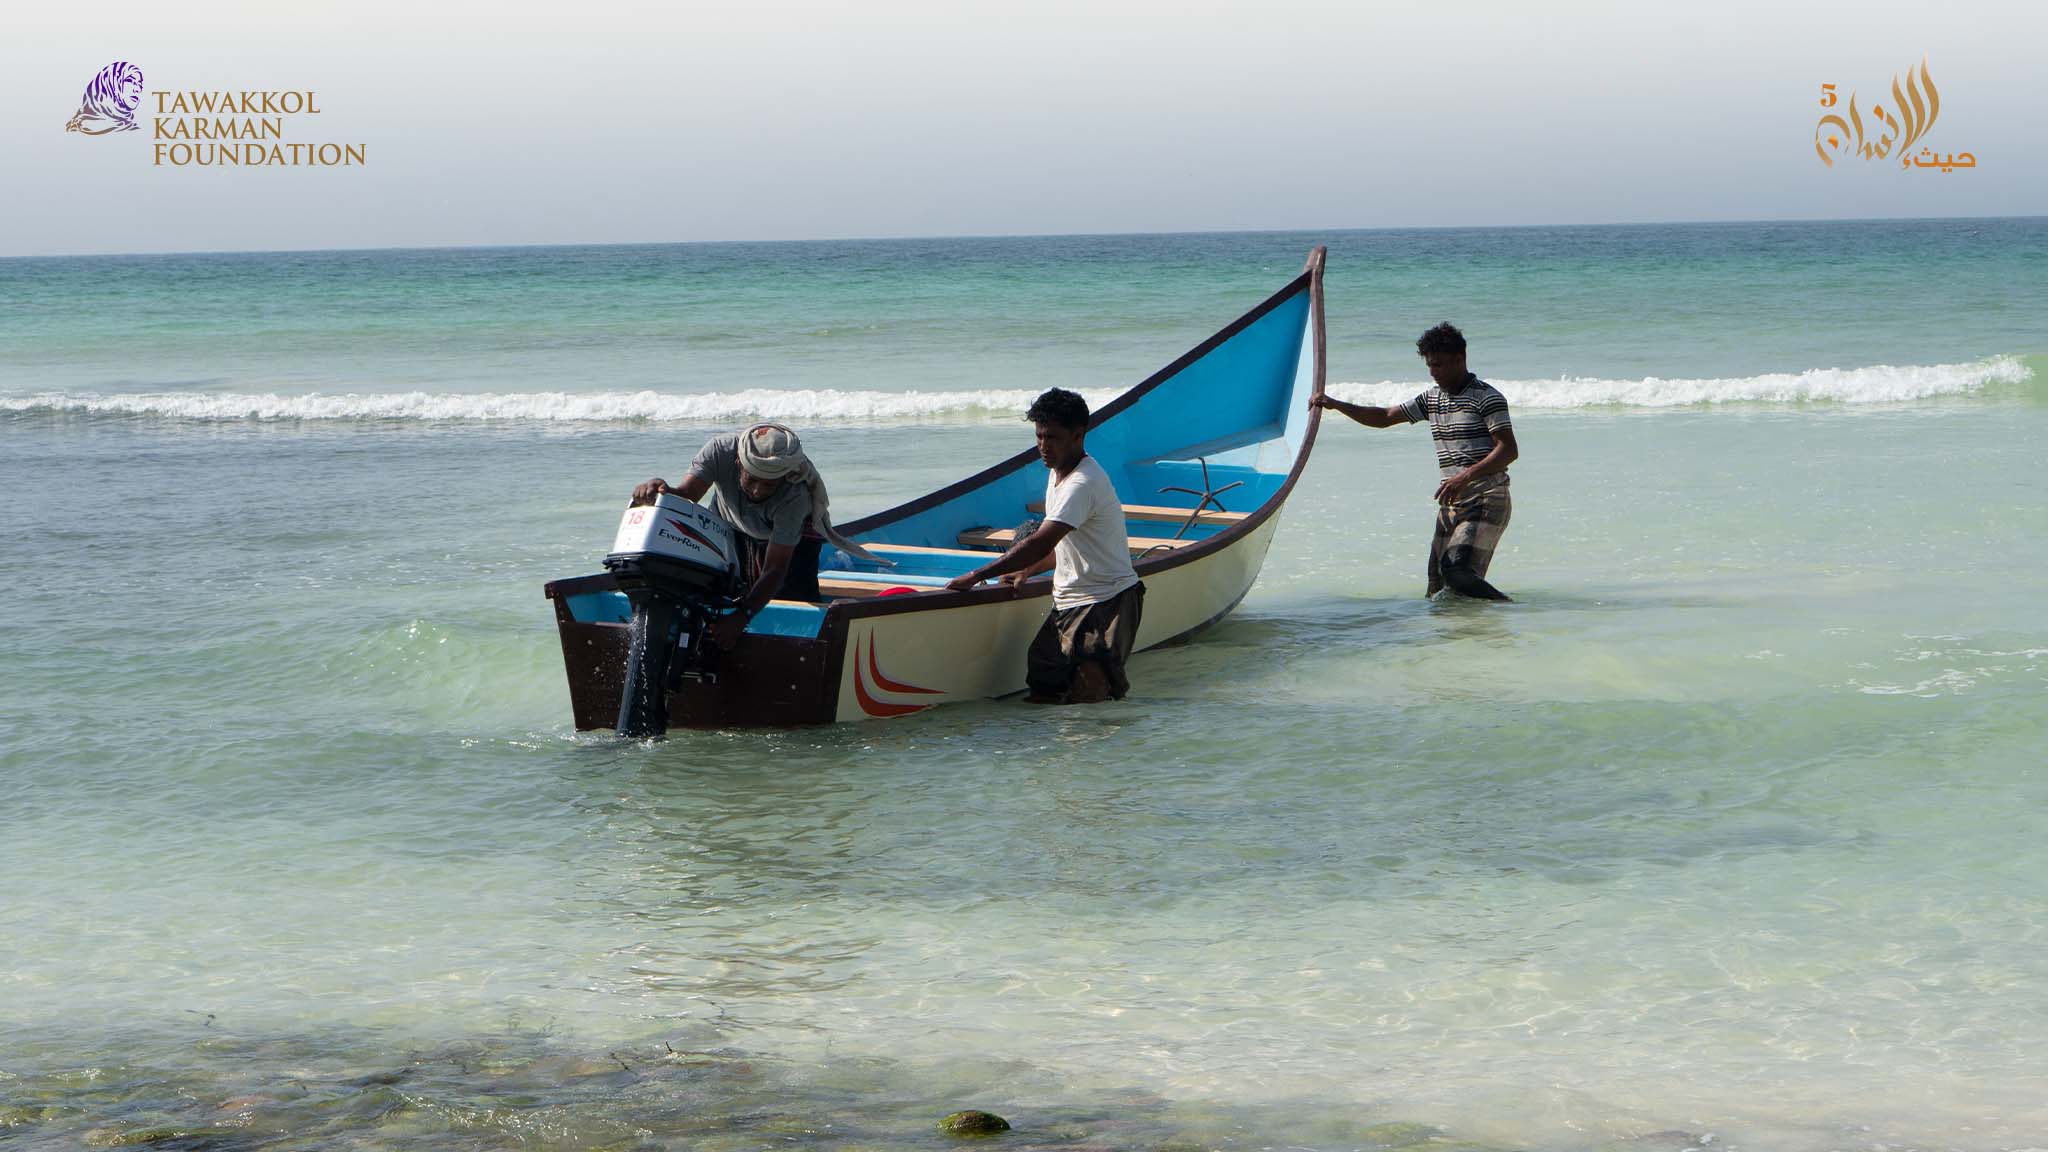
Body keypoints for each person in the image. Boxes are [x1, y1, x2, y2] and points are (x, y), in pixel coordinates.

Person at [945, 388, 1146, 703]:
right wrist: (1027, 571)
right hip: (1069, 600)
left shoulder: (1082, 483)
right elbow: (1063, 549)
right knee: (1043, 678)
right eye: (1039, 436)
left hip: (1106, 599)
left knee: (1090, 692)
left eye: (1052, 437)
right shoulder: (1057, 474)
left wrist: (976, 576)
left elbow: (1040, 542)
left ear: (1078, 435)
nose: (1043, 446)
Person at [1311, 322, 1519, 601]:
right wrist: (1336, 404)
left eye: (1439, 365)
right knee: (1437, 587)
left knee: (1457, 572)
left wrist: (1465, 476)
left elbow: (1508, 450)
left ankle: (1510, 609)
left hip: (1487, 498)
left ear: (1460, 358)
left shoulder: (1487, 398)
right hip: (1452, 502)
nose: (1433, 372)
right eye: (1430, 365)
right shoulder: (1432, 398)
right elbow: (1385, 417)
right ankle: (1470, 627)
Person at [631, 423, 889, 648]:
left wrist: (741, 616)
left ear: (784, 477)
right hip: (731, 523)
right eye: (751, 479)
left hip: (794, 539)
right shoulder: (719, 451)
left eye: (768, 484)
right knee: (727, 588)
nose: (757, 491)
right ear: (738, 463)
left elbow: (775, 570)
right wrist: (659, 489)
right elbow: (686, 495)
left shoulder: (795, 495)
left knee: (790, 600)